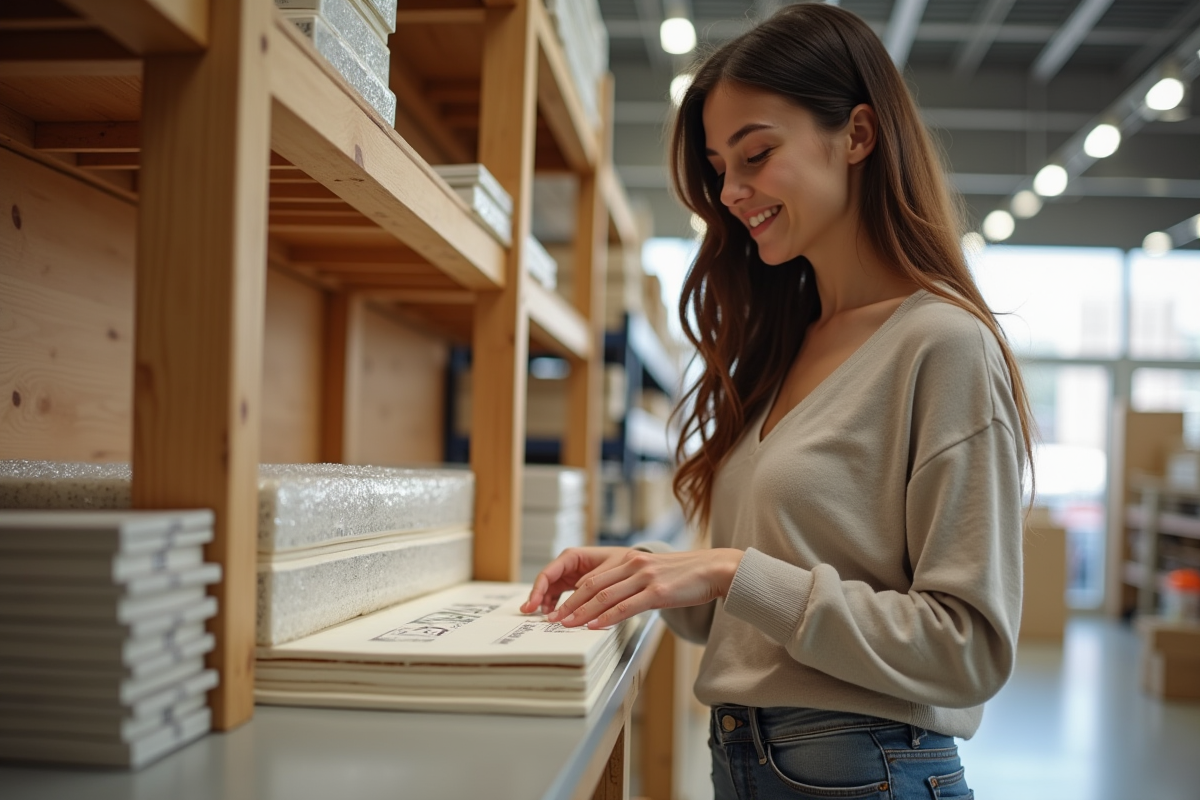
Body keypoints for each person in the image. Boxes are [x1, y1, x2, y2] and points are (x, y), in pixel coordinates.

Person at [522, 4, 1033, 798]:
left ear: (858, 135)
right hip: (746, 762)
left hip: (870, 771)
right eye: (721, 166)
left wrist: (732, 571)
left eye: (755, 154)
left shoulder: (942, 344)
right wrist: (651, 574)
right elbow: (756, 609)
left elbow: (967, 649)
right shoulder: (783, 347)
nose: (730, 191)